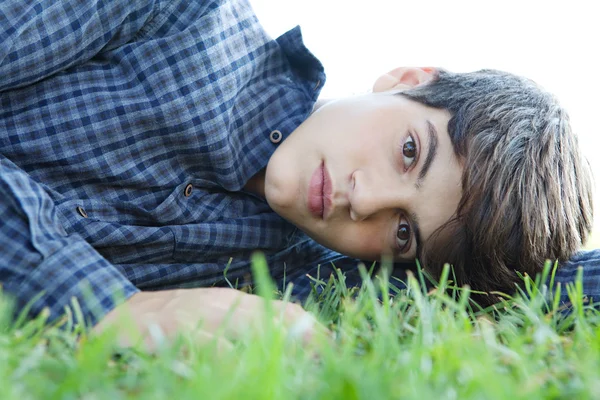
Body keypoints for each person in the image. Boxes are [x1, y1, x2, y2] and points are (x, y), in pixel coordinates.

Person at [0, 0, 596, 347]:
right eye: (410, 152)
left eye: (404, 232)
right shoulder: (178, 19)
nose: (366, 202)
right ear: (409, 80)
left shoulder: (296, 278)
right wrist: (114, 309)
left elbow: (539, 290)